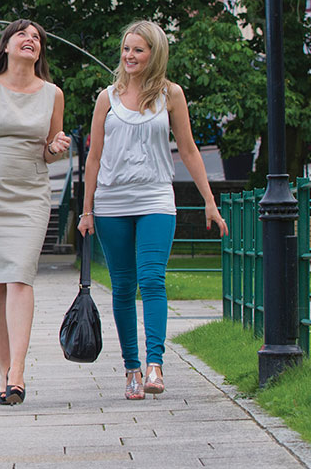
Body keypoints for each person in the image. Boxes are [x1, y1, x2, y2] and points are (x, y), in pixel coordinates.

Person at [77, 20, 229, 400]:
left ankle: (155, 363)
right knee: (124, 286)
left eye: (138, 50)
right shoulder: (106, 97)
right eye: (126, 49)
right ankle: (131, 369)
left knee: (152, 280)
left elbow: (190, 150)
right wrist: (86, 211)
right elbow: (93, 157)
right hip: (111, 202)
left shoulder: (171, 95)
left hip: (156, 199)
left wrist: (209, 201)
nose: (129, 56)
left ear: (154, 54)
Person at [0, 19, 71, 406]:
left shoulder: (53, 94)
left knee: (21, 276)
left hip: (31, 195)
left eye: (37, 36)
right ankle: (4, 371)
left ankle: (18, 370)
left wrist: (56, 148)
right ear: (6, 46)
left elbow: (48, 149)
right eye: (22, 34)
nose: (30, 39)